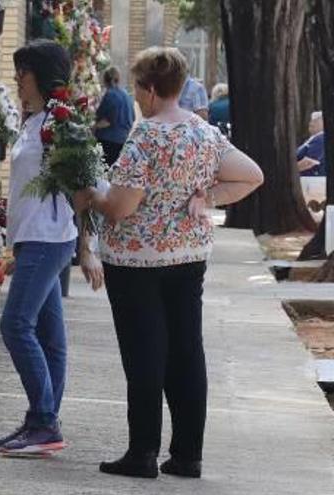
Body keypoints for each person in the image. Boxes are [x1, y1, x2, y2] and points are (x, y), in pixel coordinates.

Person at [75, 47, 263, 479]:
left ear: (151, 89)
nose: (137, 96)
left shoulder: (146, 136)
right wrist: (209, 197)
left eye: (139, 87)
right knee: (185, 352)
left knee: (145, 354)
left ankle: (141, 453)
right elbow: (251, 175)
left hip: (136, 261)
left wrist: (92, 195)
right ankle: (187, 455)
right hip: (188, 256)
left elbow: (121, 206)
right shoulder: (203, 132)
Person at [0, 39, 104, 458]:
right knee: (51, 338)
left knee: (15, 325)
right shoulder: (35, 121)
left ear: (44, 75)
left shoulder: (63, 125)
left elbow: (88, 189)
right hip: (33, 238)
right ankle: (42, 421)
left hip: (49, 240)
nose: (17, 79)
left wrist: (86, 248)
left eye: (25, 71)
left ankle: (44, 422)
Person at [95, 66, 136, 166]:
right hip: (123, 140)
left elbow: (106, 121)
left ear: (105, 80)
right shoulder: (126, 94)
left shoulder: (110, 95)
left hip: (108, 140)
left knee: (104, 171)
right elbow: (133, 117)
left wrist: (92, 127)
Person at [297, 111, 326, 177]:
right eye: (311, 120)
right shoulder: (314, 138)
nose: (311, 123)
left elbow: (309, 162)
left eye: (315, 120)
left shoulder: (321, 138)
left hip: (312, 181)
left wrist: (287, 170)